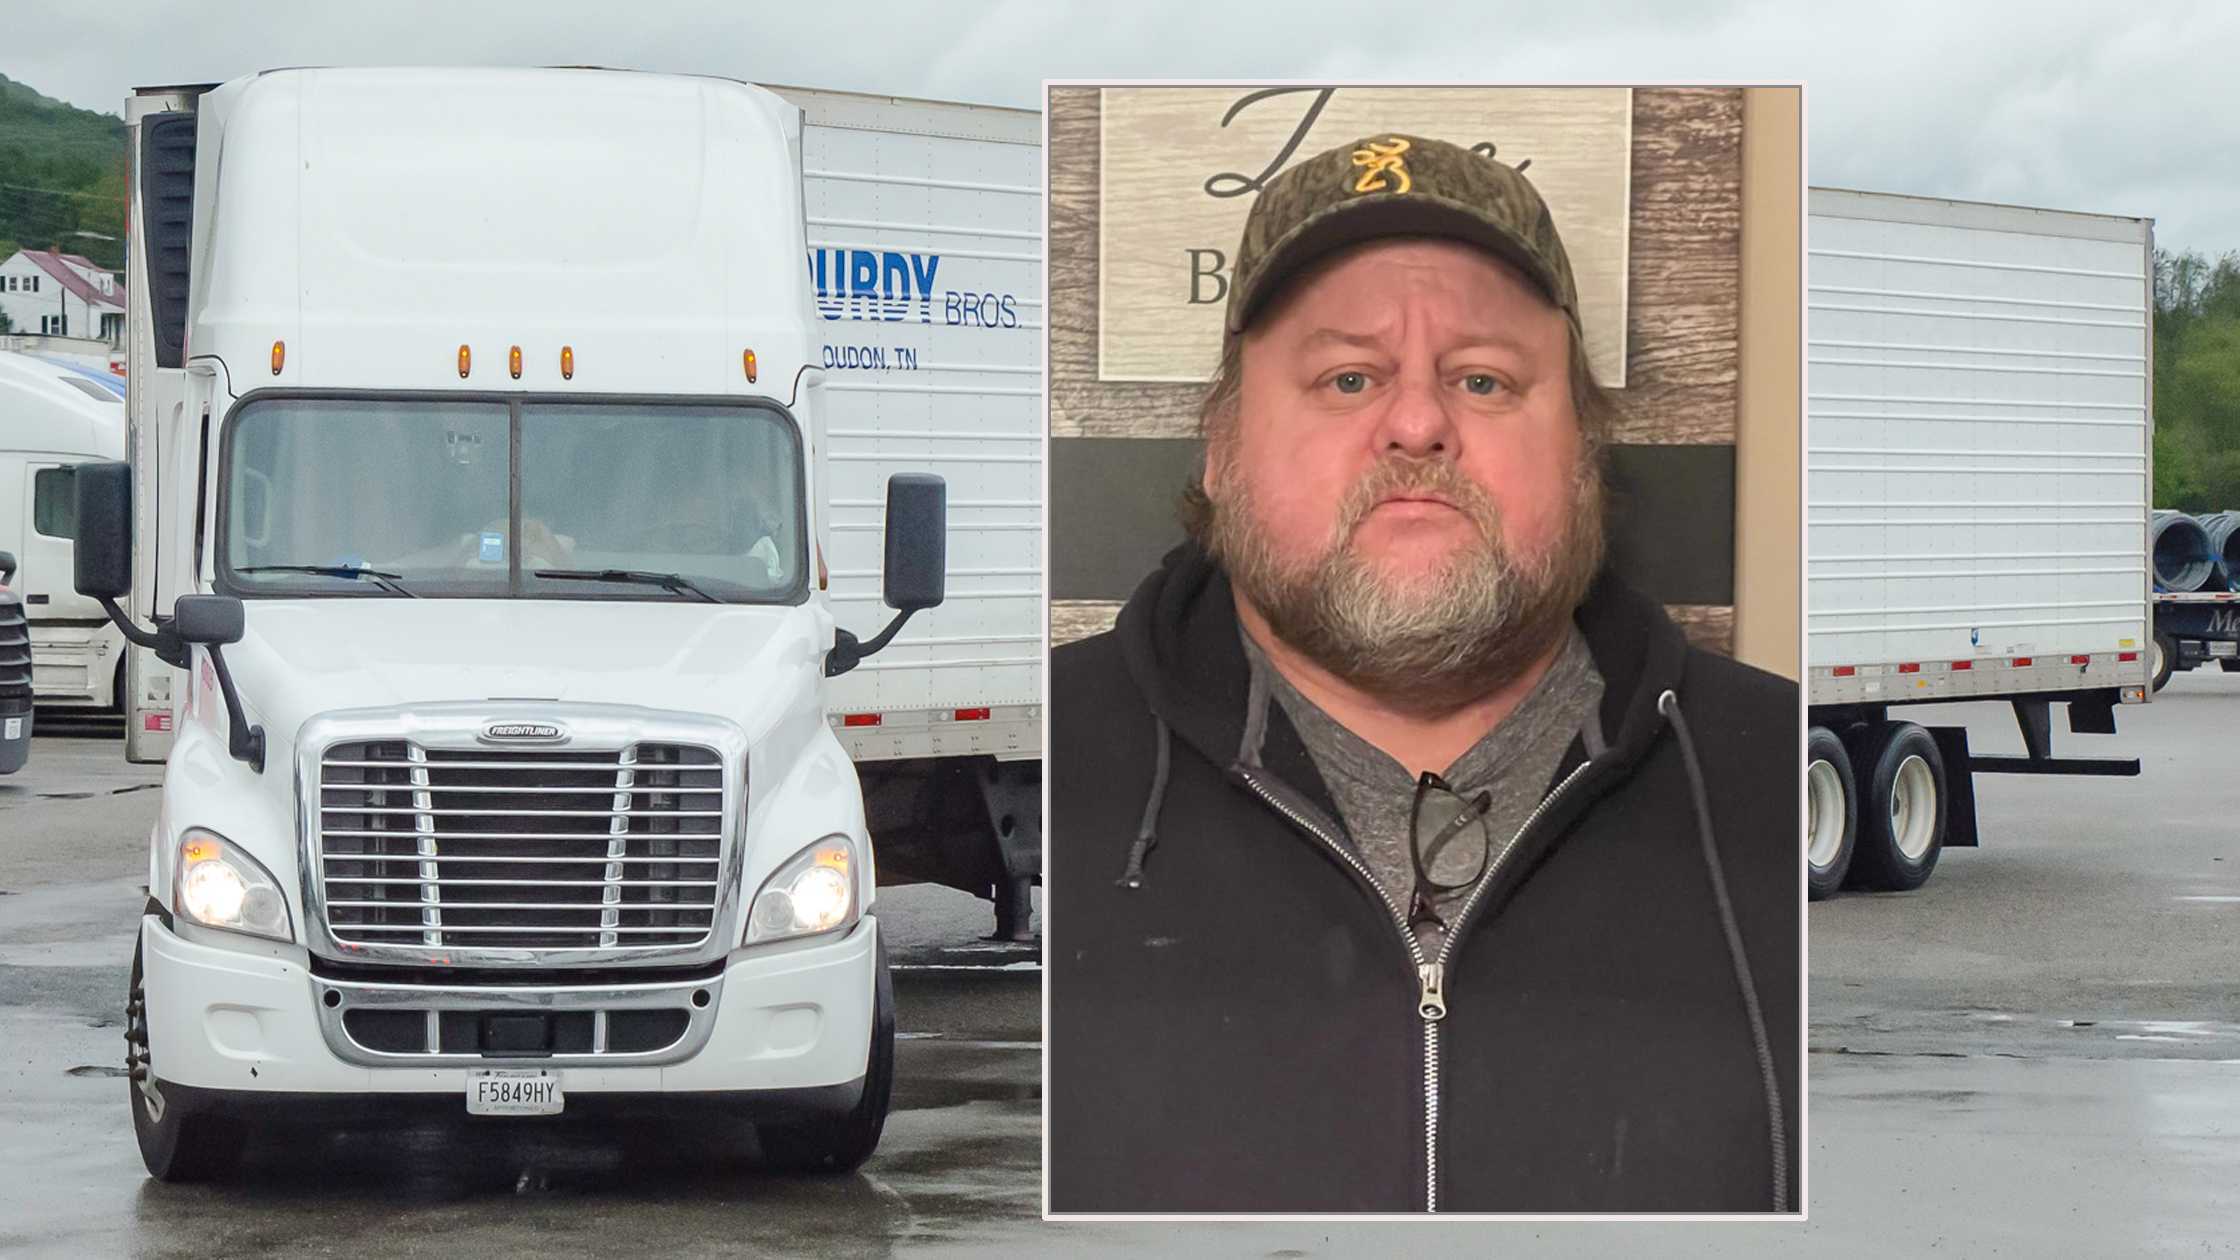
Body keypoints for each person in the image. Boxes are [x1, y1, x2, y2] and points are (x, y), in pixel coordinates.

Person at [1048, 133, 1798, 1214]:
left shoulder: (1767, 788)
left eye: (1482, 379)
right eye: (1346, 376)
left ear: (1585, 454)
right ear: (1218, 447)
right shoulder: (1053, 771)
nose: (1413, 424)